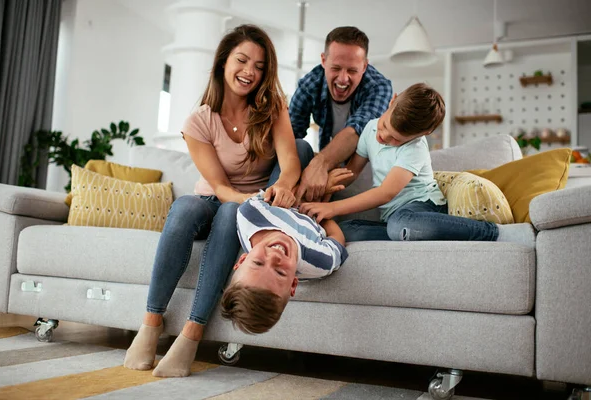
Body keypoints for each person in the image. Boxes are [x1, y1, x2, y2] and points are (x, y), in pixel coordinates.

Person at [124, 24, 314, 378]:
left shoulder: (272, 108)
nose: (249, 72)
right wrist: (251, 201)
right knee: (185, 208)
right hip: (219, 196)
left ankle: (192, 333)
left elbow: (290, 163)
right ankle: (150, 323)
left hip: (247, 206)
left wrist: (284, 188)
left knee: (231, 213)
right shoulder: (198, 121)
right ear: (223, 62)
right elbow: (219, 186)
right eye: (242, 61)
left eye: (259, 67)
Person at [299, 83, 535, 247]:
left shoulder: (415, 148)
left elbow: (386, 192)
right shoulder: (370, 129)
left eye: (395, 139)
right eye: (384, 126)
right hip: (394, 218)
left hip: (423, 207)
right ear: (392, 102)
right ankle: (405, 234)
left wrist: (332, 209)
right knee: (349, 230)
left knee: (400, 224)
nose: (383, 137)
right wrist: (328, 183)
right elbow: (352, 171)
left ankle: (494, 233)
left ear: (423, 133)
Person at [289, 26, 393, 203]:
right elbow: (290, 134)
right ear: (323, 60)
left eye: (352, 70)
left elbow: (357, 130)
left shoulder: (379, 87)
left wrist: (319, 164)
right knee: (298, 146)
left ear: (365, 66)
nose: (343, 79)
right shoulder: (309, 85)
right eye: (336, 68)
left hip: (368, 173)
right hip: (328, 170)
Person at [220, 192, 348, 334]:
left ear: (243, 259)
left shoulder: (250, 215)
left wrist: (297, 192)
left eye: (258, 263)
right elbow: (337, 238)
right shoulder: (320, 261)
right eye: (280, 272)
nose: (274, 257)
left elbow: (275, 191)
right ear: (293, 283)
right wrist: (319, 211)